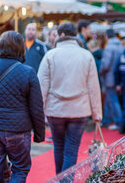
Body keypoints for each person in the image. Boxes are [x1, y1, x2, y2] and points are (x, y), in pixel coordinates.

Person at [38, 22, 102, 174]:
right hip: (80, 111)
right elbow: (93, 87)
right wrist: (97, 114)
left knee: (58, 147)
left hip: (55, 110)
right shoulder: (87, 55)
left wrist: (38, 112)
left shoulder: (50, 55)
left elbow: (41, 86)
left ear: (61, 35)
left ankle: (59, 177)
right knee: (71, 149)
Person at [0, 31, 45, 183]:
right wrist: (39, 134)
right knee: (20, 168)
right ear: (20, 48)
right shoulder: (28, 72)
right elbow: (36, 107)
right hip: (17, 129)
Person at [100, 29, 124, 131]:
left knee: (113, 100)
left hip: (110, 77)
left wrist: (100, 72)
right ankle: (106, 120)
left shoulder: (109, 47)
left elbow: (105, 64)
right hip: (118, 76)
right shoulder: (120, 46)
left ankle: (119, 122)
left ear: (106, 36)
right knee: (110, 99)